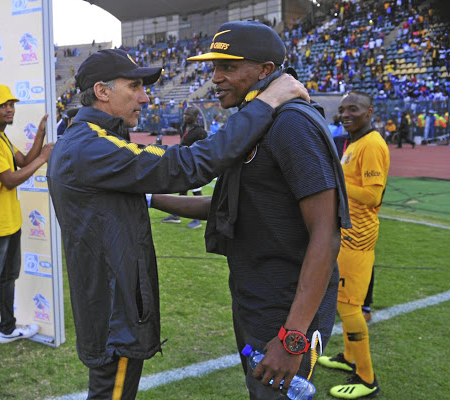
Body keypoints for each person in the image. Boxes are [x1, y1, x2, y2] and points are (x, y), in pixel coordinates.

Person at [46, 48, 309, 399]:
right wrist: (269, 100)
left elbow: (139, 194)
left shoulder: (89, 140)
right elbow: (188, 164)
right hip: (116, 316)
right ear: (102, 91)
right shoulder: (90, 147)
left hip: (111, 307)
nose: (145, 97)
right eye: (135, 86)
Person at [150, 21, 351, 399]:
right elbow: (226, 206)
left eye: (228, 67)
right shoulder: (258, 120)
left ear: (265, 71)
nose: (215, 78)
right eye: (214, 68)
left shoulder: (292, 124)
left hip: (286, 309)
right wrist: (148, 198)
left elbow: (326, 233)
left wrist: (293, 339)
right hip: (256, 298)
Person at [0, 84, 54, 373]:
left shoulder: (0, 136)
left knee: (7, 280)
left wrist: (41, 133)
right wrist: (44, 157)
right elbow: (10, 179)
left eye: (11, 104)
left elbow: (24, 161)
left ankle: (7, 328)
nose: (9, 109)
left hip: (10, 221)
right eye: (3, 105)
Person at [318, 91, 389, 399]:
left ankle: (366, 377)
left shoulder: (372, 144)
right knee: (343, 301)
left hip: (358, 239)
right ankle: (348, 357)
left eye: (354, 109)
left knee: (349, 306)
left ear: (369, 112)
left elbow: (373, 196)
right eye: (343, 109)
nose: (346, 114)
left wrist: (336, 182)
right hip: (347, 235)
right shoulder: (354, 143)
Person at [161, 106, 208, 229]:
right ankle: (176, 215)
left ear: (195, 117)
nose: (185, 116)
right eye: (184, 114)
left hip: (195, 165)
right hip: (184, 163)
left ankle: (197, 219)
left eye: (188, 115)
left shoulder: (200, 132)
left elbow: (204, 149)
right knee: (183, 189)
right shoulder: (183, 127)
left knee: (196, 191)